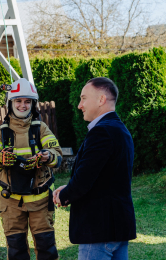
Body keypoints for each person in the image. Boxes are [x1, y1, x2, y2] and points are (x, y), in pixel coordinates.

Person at [54, 77, 136, 260]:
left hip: (99, 228)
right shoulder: (120, 129)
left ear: (101, 100)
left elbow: (85, 178)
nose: (79, 105)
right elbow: (105, 177)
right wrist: (67, 188)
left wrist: (64, 195)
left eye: (83, 98)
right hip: (118, 226)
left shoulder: (102, 132)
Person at [0, 78, 63, 260]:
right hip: (11, 202)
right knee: (16, 250)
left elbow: (58, 156)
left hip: (41, 201)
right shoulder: (0, 132)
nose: (23, 105)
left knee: (46, 249)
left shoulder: (40, 128)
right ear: (10, 103)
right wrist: (0, 158)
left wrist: (47, 156)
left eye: (27, 101)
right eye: (18, 101)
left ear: (33, 104)